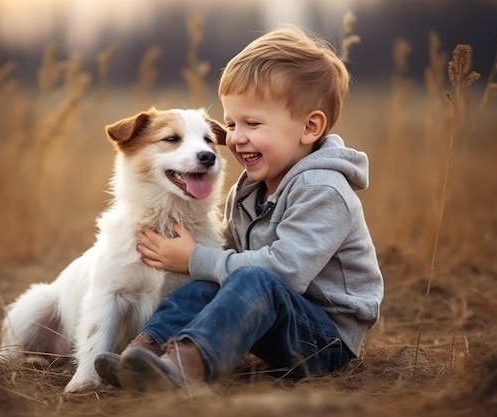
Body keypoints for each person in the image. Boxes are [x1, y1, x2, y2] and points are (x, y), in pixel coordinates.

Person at [94, 24, 384, 393]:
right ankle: (145, 352)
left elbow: (284, 273)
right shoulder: (250, 190)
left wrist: (194, 258)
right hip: (269, 319)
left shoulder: (325, 191)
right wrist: (196, 261)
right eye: (231, 123)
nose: (233, 138)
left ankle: (186, 365)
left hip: (324, 339)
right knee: (206, 284)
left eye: (253, 123)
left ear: (310, 127)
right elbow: (227, 260)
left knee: (243, 276)